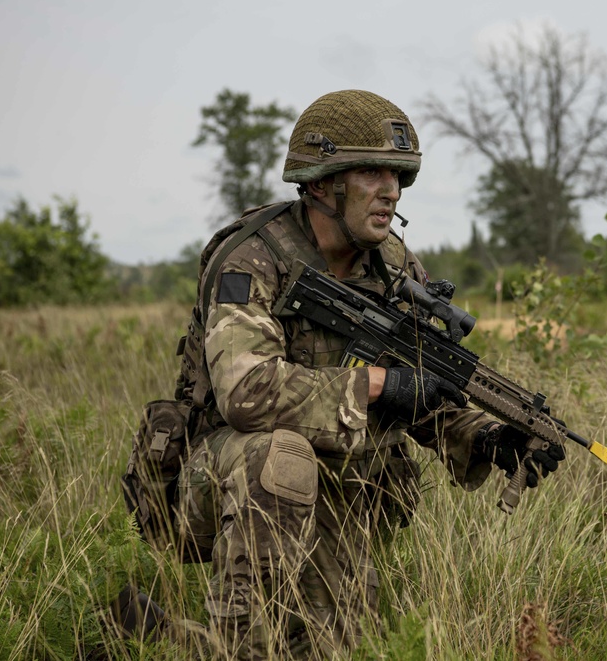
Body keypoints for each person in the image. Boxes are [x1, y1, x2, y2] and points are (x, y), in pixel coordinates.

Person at [167, 89, 565, 659]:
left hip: (340, 485)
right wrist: (380, 384)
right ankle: (237, 647)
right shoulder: (253, 260)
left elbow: (423, 388)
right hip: (222, 476)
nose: (390, 190)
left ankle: (163, 632)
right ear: (323, 182)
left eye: (398, 177)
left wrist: (487, 437)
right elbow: (245, 393)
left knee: (336, 646)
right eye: (372, 172)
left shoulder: (395, 267)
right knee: (279, 457)